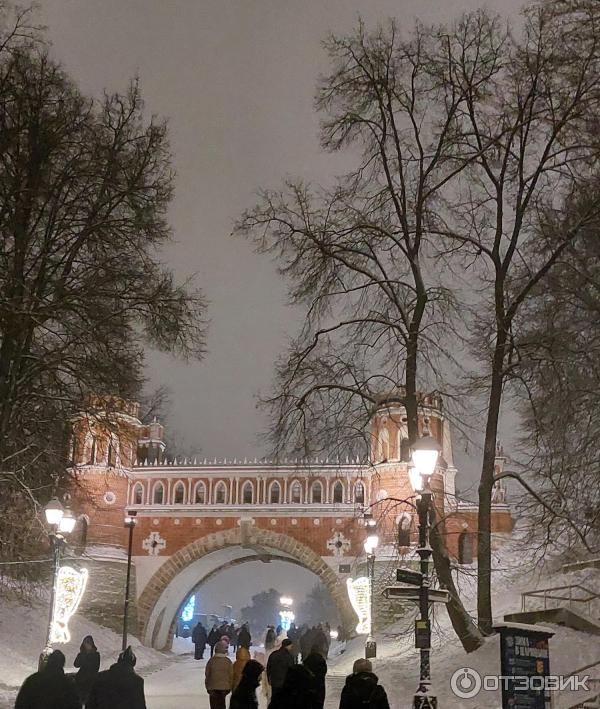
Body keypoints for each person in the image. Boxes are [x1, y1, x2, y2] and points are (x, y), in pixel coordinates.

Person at [15, 649, 80, 709]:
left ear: (49, 661)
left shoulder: (33, 680)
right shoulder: (68, 685)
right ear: (62, 664)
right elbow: (76, 705)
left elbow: (20, 704)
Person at [204, 639, 233, 709]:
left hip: (212, 687)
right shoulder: (228, 661)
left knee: (214, 705)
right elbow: (231, 675)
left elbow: (207, 674)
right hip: (224, 688)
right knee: (222, 704)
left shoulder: (211, 661)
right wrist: (230, 686)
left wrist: (207, 685)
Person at [73, 635, 101, 706]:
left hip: (90, 682)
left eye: (89, 643)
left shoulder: (96, 655)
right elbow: (76, 664)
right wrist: (83, 655)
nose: (87, 645)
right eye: (86, 643)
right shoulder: (82, 654)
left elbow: (95, 667)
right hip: (80, 680)